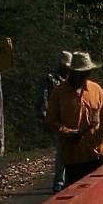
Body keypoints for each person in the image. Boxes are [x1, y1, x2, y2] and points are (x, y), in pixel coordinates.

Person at [46, 51, 103, 187]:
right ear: (72, 72)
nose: (85, 75)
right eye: (81, 73)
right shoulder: (59, 93)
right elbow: (51, 121)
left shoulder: (97, 90)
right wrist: (68, 132)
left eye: (87, 72)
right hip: (74, 157)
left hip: (97, 153)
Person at [40, 50, 71, 192]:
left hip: (69, 118)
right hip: (56, 119)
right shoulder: (51, 79)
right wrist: (45, 116)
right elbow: (43, 98)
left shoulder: (71, 80)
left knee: (69, 149)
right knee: (62, 149)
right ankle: (59, 181)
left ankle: (67, 180)